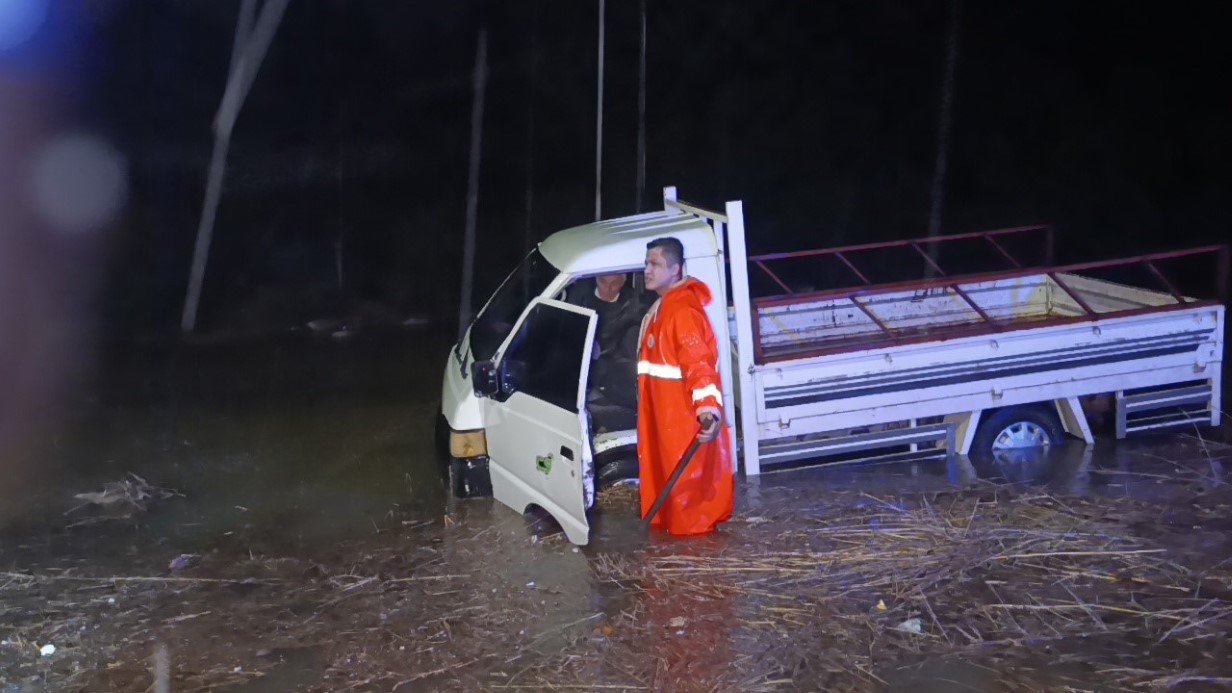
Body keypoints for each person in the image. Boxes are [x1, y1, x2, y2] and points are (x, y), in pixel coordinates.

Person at [636, 237, 734, 535]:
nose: (647, 270)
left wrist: (708, 410)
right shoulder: (664, 307)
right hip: (668, 424)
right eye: (646, 263)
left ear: (675, 268)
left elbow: (699, 363)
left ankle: (697, 557)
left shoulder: (681, 311)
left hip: (682, 426)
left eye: (655, 264)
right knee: (676, 504)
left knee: (688, 509)